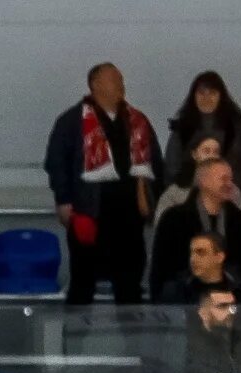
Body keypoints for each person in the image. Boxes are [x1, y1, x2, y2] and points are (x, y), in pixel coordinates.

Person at [46, 62, 158, 306]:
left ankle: (134, 341)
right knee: (82, 284)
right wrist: (64, 200)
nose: (121, 85)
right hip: (89, 212)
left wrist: (152, 201)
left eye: (121, 80)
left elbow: (155, 163)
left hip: (128, 215)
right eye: (114, 79)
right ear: (95, 84)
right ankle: (74, 341)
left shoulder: (137, 121)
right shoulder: (71, 121)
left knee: (129, 284)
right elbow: (56, 162)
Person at [151, 156, 241, 299]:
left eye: (231, 179)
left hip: (235, 304)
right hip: (185, 304)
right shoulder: (174, 219)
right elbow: (160, 269)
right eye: (223, 179)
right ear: (203, 181)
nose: (230, 184)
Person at [164, 71, 241, 199]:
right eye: (201, 93)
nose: (206, 98)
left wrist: (226, 186)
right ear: (193, 96)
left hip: (232, 193)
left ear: (221, 96)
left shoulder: (239, 125)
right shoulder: (181, 127)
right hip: (188, 195)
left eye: (212, 93)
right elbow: (172, 167)